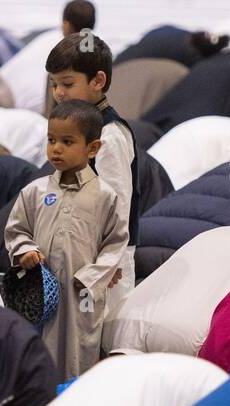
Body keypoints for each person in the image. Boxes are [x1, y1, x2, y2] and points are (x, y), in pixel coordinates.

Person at [4, 100, 127, 377]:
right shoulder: (34, 192)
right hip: (39, 292)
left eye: (67, 141)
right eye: (51, 140)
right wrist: (25, 251)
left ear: (92, 148)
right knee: (36, 355)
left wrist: (92, 277)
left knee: (77, 358)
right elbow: (17, 230)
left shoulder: (105, 196)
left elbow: (115, 244)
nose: (56, 148)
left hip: (80, 296)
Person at [46, 32, 139, 322]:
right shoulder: (74, 127)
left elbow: (118, 203)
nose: (59, 92)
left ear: (98, 81)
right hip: (77, 251)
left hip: (106, 262)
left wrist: (107, 263)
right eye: (54, 84)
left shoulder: (110, 134)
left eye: (67, 84)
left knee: (100, 335)